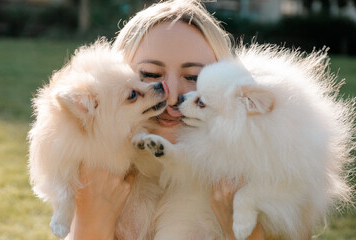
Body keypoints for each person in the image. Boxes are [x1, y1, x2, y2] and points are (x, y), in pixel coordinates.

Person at [66, 0, 266, 239]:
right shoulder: (92, 177)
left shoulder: (263, 182)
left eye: (194, 77)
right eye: (150, 75)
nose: (170, 97)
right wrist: (90, 224)